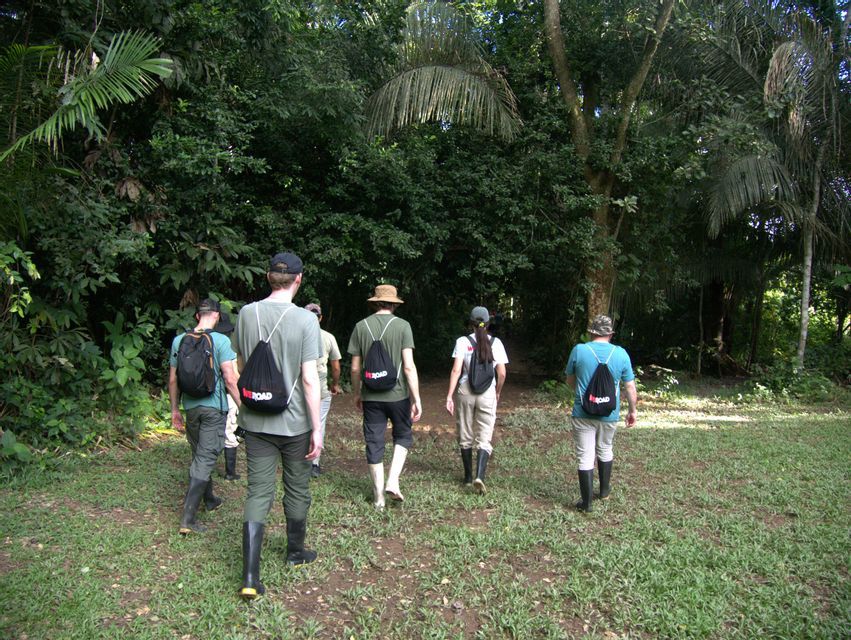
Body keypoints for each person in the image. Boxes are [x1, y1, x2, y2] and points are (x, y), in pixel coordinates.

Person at [235, 252, 324, 600]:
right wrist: (317, 428)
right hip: (295, 424)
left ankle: (249, 576)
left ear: (268, 277)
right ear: (298, 280)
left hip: (255, 420)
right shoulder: (305, 321)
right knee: (297, 489)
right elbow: (309, 380)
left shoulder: (246, 313)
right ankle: (295, 551)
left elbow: (244, 361)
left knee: (257, 492)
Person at [168, 299, 241, 534]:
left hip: (191, 408)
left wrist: (174, 410)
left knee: (200, 453)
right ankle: (187, 520)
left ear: (198, 316)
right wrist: (242, 406)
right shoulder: (221, 341)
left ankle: (209, 499)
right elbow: (230, 379)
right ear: (217, 316)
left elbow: (172, 380)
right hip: (213, 409)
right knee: (206, 457)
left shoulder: (179, 340)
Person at [348, 284, 422, 510]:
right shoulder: (403, 326)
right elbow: (408, 366)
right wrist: (416, 397)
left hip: (371, 395)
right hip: (398, 395)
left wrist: (357, 392)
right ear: (393, 304)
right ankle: (393, 480)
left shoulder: (361, 326)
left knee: (374, 441)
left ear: (374, 303)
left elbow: (354, 368)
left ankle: (379, 498)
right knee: (403, 436)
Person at [564, 314, 637, 513]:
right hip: (609, 414)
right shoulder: (621, 354)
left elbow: (570, 380)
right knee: (605, 448)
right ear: (610, 334)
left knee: (585, 455)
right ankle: (604, 491)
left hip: (582, 412)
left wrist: (582, 394)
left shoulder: (579, 350)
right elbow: (630, 386)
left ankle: (586, 503)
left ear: (591, 333)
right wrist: (632, 411)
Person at [445, 306, 508, 494]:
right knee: (484, 434)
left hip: (465, 391)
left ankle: (467, 477)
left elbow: (456, 370)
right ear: (488, 323)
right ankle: (480, 475)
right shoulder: (496, 343)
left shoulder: (462, 342)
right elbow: (502, 373)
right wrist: (497, 391)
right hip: (487, 392)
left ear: (471, 323)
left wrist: (449, 395)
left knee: (465, 432)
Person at [304, 302, 341, 478]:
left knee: (299, 419)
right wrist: (335, 384)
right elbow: (335, 366)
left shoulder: (296, 334)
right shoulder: (328, 337)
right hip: (319, 385)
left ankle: (296, 457)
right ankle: (314, 463)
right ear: (320, 318)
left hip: (298, 384)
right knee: (319, 422)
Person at [214, 311, 241, 481]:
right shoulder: (227, 347)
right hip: (228, 395)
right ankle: (230, 473)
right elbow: (233, 377)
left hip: (208, 397)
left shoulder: (205, 342)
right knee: (230, 432)